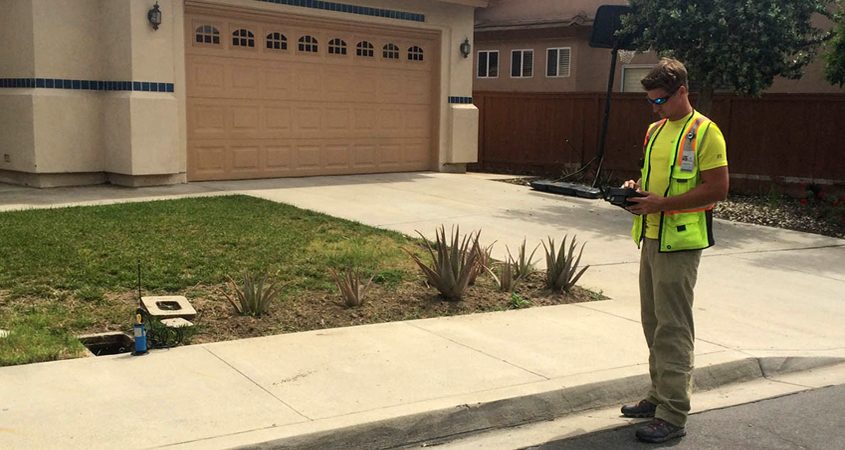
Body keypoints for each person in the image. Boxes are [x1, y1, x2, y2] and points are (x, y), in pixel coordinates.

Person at [620, 57, 729, 443]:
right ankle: (657, 396)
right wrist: (635, 189)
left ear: (683, 90)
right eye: (651, 102)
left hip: (680, 242)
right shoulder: (655, 131)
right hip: (650, 235)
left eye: (661, 100)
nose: (656, 107)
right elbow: (654, 180)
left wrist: (662, 204)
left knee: (674, 328)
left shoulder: (705, 132)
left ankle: (673, 414)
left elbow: (718, 189)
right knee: (653, 323)